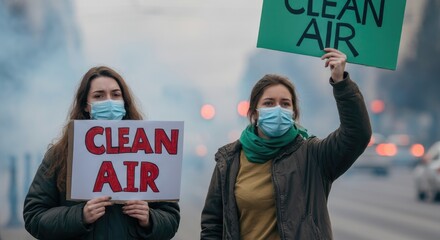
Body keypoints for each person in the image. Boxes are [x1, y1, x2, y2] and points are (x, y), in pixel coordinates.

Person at [200, 48, 372, 239]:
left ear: (293, 112)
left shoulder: (313, 155)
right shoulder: (229, 161)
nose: (278, 109)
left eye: (285, 103)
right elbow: (212, 226)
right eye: (268, 103)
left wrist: (341, 83)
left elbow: (357, 135)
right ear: (254, 113)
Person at [23, 66, 180, 240]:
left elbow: (171, 219)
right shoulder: (61, 155)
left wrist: (149, 219)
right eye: (99, 96)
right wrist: (80, 216)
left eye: (115, 94)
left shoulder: (150, 152)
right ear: (85, 105)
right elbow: (34, 217)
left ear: (125, 103)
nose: (109, 102)